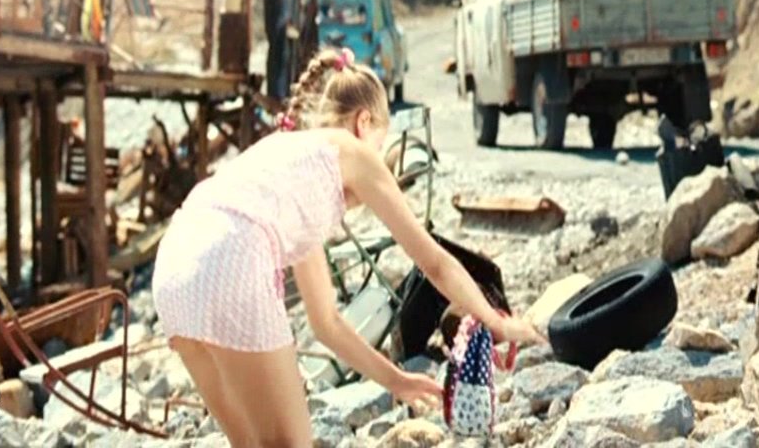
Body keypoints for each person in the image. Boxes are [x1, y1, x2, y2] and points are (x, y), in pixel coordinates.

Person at [152, 48, 546, 447]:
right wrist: (497, 323)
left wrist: (397, 380)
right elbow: (434, 262)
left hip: (174, 267)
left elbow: (327, 323)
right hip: (231, 255)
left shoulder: (291, 170)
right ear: (364, 122)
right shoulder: (352, 152)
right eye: (380, 142)